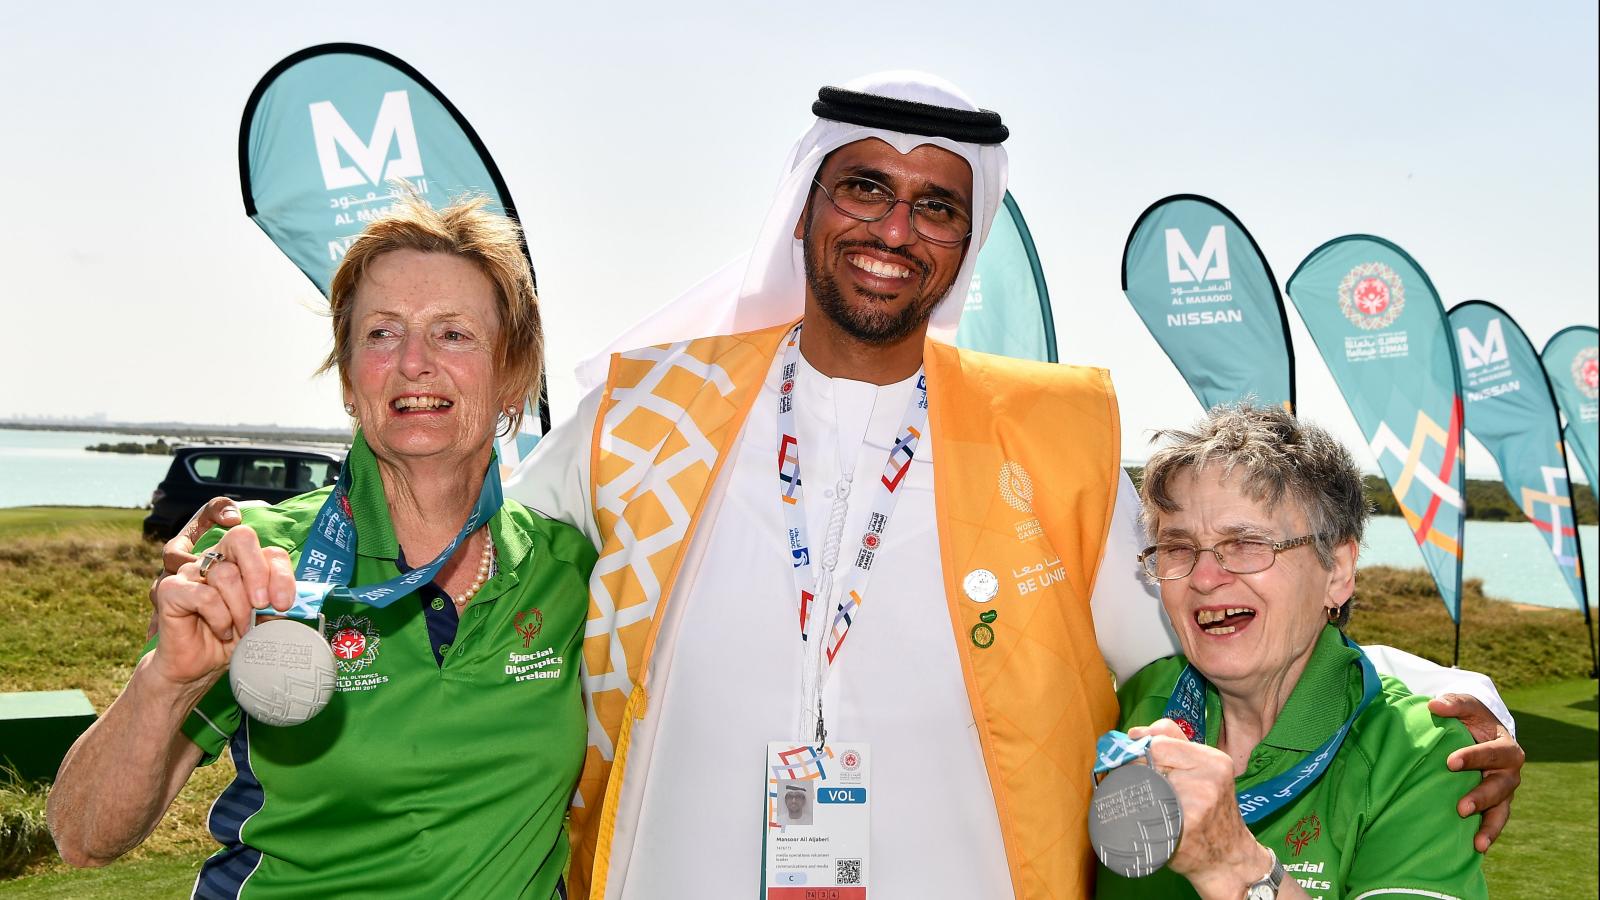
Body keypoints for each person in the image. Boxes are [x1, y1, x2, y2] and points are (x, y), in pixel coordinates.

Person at [162, 74, 1523, 900]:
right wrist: (288, 545)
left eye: (937, 204)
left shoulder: (1053, 432)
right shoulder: (647, 410)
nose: (893, 229)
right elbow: (456, 536)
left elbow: (1214, 618)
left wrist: (1436, 682)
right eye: (864, 188)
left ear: (967, 233)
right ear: (807, 203)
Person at [48, 194, 594, 899]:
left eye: (453, 334)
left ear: (513, 373)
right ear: (347, 377)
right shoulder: (260, 560)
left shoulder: (569, 571)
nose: (414, 363)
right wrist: (168, 682)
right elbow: (83, 838)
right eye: (381, 334)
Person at [1096, 404, 1486, 899]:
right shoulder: (1136, 702)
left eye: (1247, 543)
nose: (1204, 577)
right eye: (1178, 548)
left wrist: (1233, 864)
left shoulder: (1420, 756)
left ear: (1339, 571)